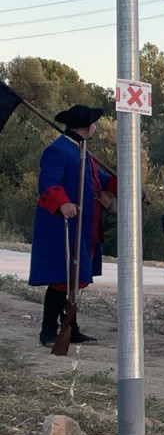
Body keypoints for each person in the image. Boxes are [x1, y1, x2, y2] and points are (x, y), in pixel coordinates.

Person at [30, 104, 115, 346]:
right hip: (62, 225)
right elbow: (48, 184)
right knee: (62, 279)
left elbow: (102, 180)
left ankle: (71, 327)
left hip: (83, 226)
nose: (96, 127)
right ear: (87, 128)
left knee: (76, 279)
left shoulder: (82, 151)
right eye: (94, 124)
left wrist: (129, 187)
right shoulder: (58, 150)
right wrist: (63, 202)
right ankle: (48, 331)